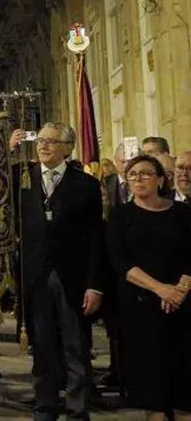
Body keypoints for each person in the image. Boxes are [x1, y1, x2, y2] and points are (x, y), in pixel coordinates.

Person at [8, 123, 104, 421]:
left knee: (76, 346)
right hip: (35, 277)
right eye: (40, 140)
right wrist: (8, 149)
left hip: (73, 277)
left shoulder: (85, 185)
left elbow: (96, 238)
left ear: (67, 148)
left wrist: (95, 285)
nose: (44, 146)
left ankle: (77, 409)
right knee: (42, 345)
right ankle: (45, 405)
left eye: (51, 141)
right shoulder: (22, 178)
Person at [106, 154, 191, 421]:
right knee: (152, 390)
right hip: (141, 308)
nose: (138, 179)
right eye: (132, 175)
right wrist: (160, 289)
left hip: (183, 307)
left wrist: (180, 290)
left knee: (185, 389)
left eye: (145, 173)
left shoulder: (183, 213)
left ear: (160, 180)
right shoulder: (120, 215)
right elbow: (119, 260)